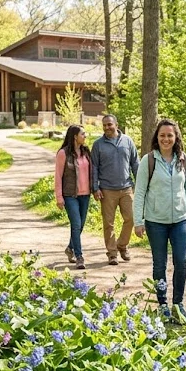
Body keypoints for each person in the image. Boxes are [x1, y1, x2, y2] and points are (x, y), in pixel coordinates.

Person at [133, 119, 186, 322]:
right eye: (162, 135)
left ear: (176, 137)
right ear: (157, 137)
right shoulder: (148, 160)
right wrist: (138, 221)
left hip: (180, 219)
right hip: (155, 221)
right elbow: (140, 192)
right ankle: (162, 305)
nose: (166, 139)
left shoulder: (183, 160)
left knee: (181, 262)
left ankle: (178, 304)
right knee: (159, 264)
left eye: (170, 135)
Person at [91, 114, 139, 266]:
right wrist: (95, 187)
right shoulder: (98, 144)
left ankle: (122, 245)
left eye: (109, 125)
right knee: (108, 223)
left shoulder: (128, 141)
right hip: (106, 190)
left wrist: (141, 185)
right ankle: (112, 253)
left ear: (116, 125)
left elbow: (135, 164)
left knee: (131, 218)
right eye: (104, 125)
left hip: (126, 188)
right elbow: (94, 168)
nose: (107, 128)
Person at [53, 125, 92, 269]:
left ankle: (70, 248)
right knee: (75, 224)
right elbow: (58, 176)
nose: (85, 136)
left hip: (85, 194)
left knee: (80, 225)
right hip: (70, 195)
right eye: (83, 134)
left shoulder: (86, 152)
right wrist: (59, 197)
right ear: (75, 136)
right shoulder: (63, 153)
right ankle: (79, 256)